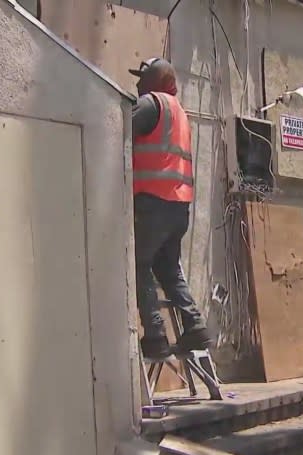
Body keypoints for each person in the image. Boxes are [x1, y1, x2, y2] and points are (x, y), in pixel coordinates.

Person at [128, 57, 212, 359]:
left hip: (152, 202)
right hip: (179, 207)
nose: (137, 84)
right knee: (169, 269)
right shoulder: (181, 113)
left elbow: (116, 129)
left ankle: (155, 337)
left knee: (138, 266)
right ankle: (195, 326)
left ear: (154, 80)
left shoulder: (151, 104)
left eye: (141, 78)